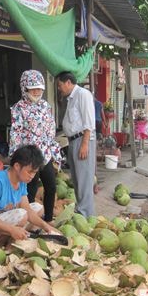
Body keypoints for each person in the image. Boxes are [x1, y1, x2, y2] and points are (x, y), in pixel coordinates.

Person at [0, 145, 60, 246]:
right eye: (29, 172)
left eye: (34, 173)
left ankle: (15, 237)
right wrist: (12, 230)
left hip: (2, 223)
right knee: (21, 214)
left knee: (38, 208)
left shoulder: (21, 181)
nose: (32, 176)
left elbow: (27, 208)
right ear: (17, 166)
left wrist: (46, 226)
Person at [9, 70, 62, 223]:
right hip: (29, 157)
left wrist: (56, 155)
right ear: (24, 89)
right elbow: (16, 133)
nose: (37, 92)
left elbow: (50, 132)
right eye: (33, 89)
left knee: (51, 186)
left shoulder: (46, 106)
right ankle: (29, 222)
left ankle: (49, 219)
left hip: (45, 155)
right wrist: (15, 157)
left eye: (39, 89)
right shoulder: (18, 108)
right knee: (30, 191)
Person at [56, 71, 96, 217]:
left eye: (60, 85)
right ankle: (82, 212)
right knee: (77, 179)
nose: (59, 88)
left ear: (68, 82)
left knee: (84, 180)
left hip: (82, 140)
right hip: (73, 141)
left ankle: (86, 215)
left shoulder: (82, 94)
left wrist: (84, 144)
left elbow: (89, 122)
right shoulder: (71, 98)